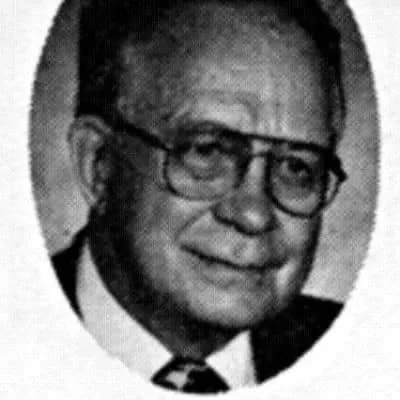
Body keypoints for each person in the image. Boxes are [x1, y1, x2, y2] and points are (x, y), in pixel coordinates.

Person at [53, 0, 348, 393]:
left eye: (296, 168)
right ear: (99, 165)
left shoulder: (368, 354)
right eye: (206, 152)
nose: (254, 215)